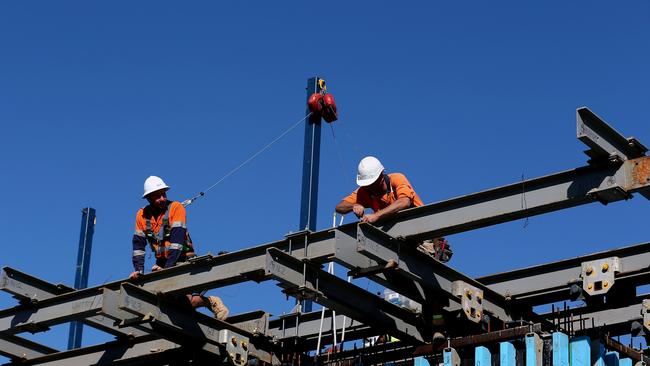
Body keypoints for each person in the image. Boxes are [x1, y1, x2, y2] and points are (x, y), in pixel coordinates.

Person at [129, 176, 229, 320]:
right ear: (149, 198)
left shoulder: (176, 208)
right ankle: (208, 303)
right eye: (158, 196)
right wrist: (138, 271)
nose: (162, 198)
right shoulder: (141, 215)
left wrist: (167, 270)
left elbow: (177, 242)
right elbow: (138, 245)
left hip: (183, 260)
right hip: (163, 263)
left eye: (164, 194)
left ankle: (212, 302)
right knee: (177, 303)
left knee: (184, 301)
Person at [335, 156, 452, 262]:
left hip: (421, 231)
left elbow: (404, 202)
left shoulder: (396, 179)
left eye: (372, 184)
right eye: (367, 185)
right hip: (400, 239)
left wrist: (376, 215)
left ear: (381, 177)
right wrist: (354, 206)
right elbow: (339, 207)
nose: (369, 188)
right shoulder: (365, 191)